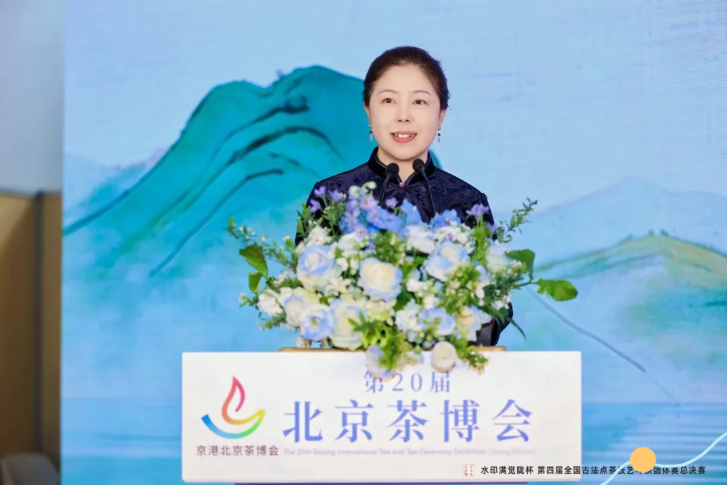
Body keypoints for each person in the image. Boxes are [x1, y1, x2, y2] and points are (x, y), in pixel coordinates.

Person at [296, 46, 511, 346]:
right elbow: (303, 295)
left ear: (440, 116)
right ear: (368, 111)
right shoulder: (331, 196)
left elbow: (497, 305)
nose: (403, 116)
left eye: (419, 102)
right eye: (388, 101)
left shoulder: (468, 201)